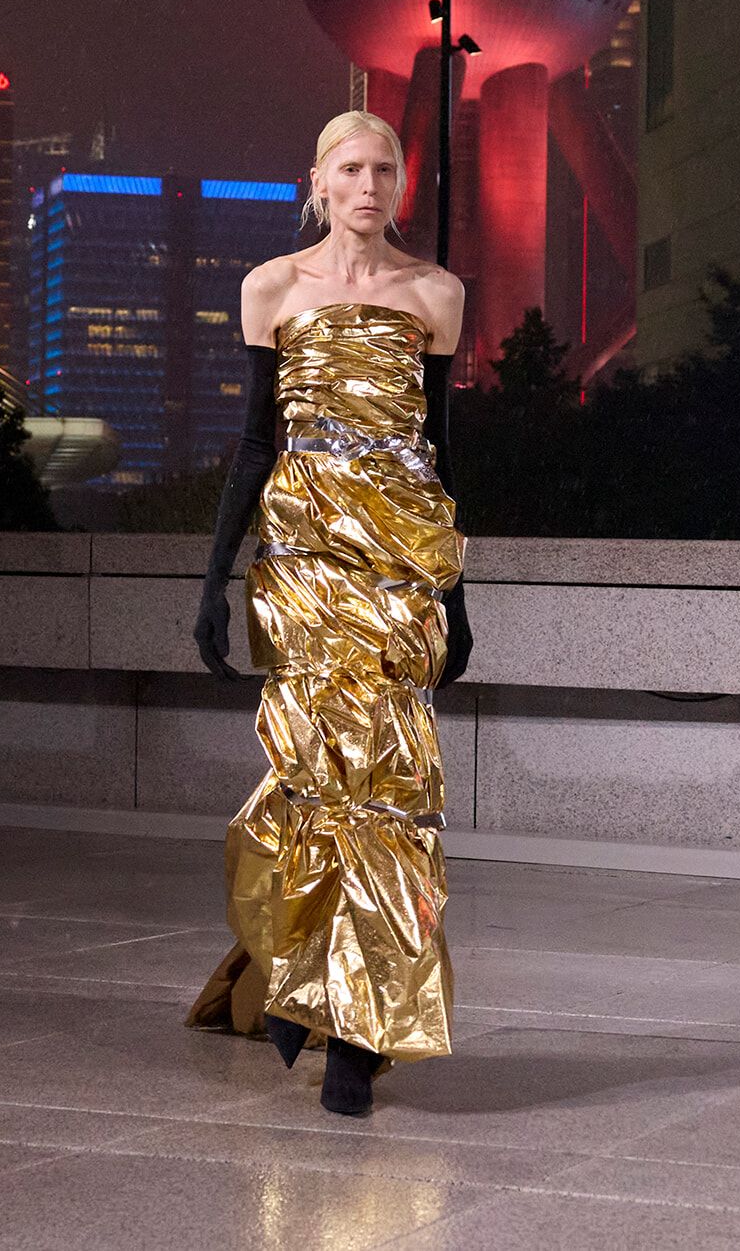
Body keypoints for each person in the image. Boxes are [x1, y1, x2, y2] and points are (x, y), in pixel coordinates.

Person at [187, 110, 472, 1116]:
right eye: (350, 166)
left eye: (385, 167)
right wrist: (215, 580)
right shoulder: (273, 286)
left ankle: (358, 1027)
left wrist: (457, 596)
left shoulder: (437, 295)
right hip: (302, 565)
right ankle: (295, 974)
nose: (368, 183)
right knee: (311, 775)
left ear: (401, 180)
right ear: (316, 176)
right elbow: (254, 444)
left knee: (389, 787)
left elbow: (438, 455)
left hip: (395, 575)